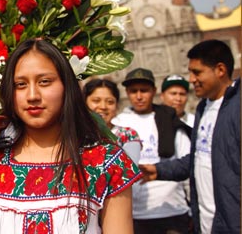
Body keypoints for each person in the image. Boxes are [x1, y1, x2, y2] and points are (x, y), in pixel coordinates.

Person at [0, 39, 141, 233]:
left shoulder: (106, 161)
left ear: (66, 86)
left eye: (44, 82)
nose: (32, 95)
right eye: (20, 84)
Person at [140, 39, 240, 233]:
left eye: (197, 72)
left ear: (220, 70)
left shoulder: (237, 107)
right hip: (207, 221)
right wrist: (158, 170)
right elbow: (200, 158)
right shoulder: (205, 107)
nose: (191, 79)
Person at [113, 67, 192, 234]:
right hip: (135, 214)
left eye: (144, 90)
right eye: (134, 91)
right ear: (127, 92)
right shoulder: (119, 122)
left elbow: (188, 160)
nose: (139, 96)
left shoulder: (169, 118)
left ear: (154, 91)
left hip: (172, 210)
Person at [83, 78, 142, 163]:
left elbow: (130, 170)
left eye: (110, 102)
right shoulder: (74, 136)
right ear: (83, 103)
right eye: (96, 101)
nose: (103, 106)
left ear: (117, 105)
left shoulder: (127, 135)